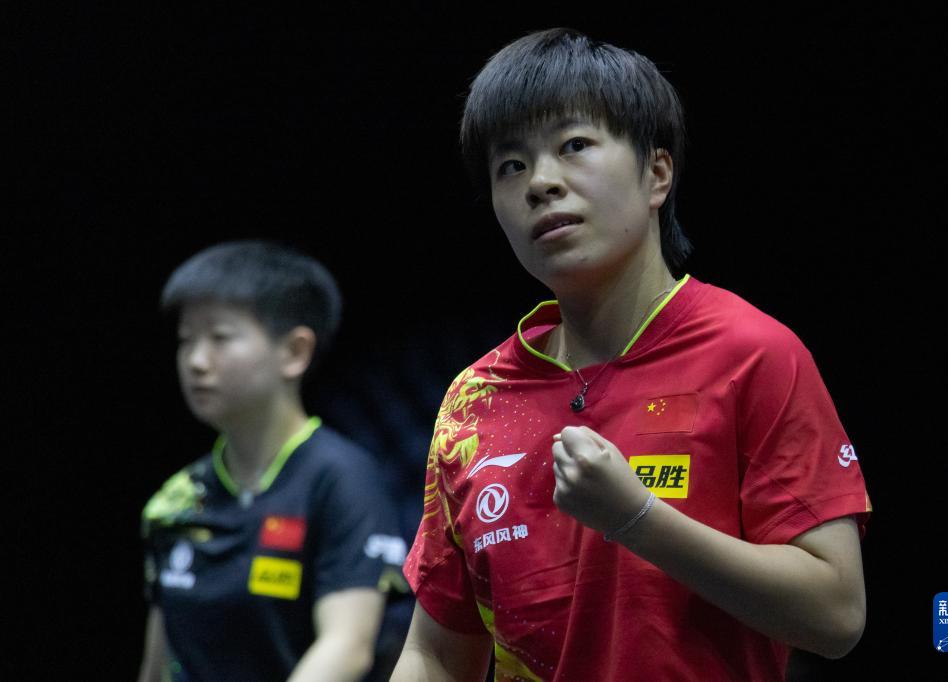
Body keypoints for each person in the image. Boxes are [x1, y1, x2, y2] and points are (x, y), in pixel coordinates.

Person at [391, 28, 871, 681]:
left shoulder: (751, 355)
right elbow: (436, 654)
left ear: (656, 174)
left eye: (574, 145)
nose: (541, 183)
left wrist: (635, 518)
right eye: (511, 166)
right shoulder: (475, 401)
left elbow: (836, 614)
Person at [139, 240, 408, 682]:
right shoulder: (175, 500)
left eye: (220, 338)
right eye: (186, 340)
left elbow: (346, 647)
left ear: (294, 352)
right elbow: (157, 667)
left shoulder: (341, 480)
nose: (196, 361)